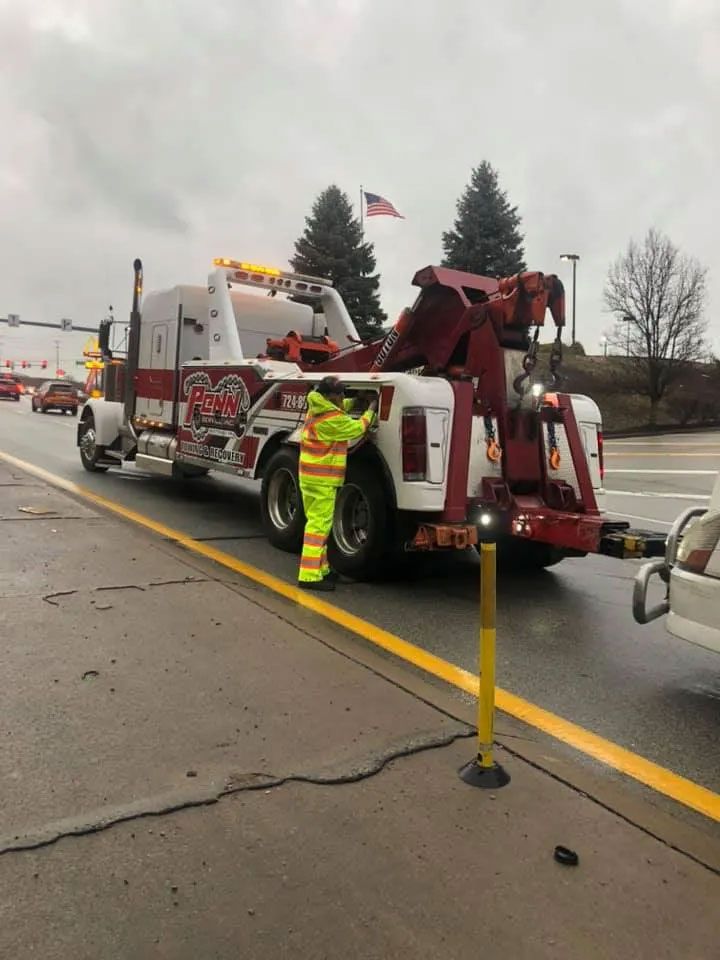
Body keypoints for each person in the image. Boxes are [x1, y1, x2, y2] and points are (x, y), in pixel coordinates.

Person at [298, 376, 377, 591]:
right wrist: (371, 407)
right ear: (329, 396)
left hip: (310, 477)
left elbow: (340, 411)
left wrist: (356, 401)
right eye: (339, 394)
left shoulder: (317, 409)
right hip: (322, 480)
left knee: (317, 525)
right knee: (318, 527)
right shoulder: (331, 420)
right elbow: (357, 427)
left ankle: (321, 569)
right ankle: (309, 576)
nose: (343, 397)